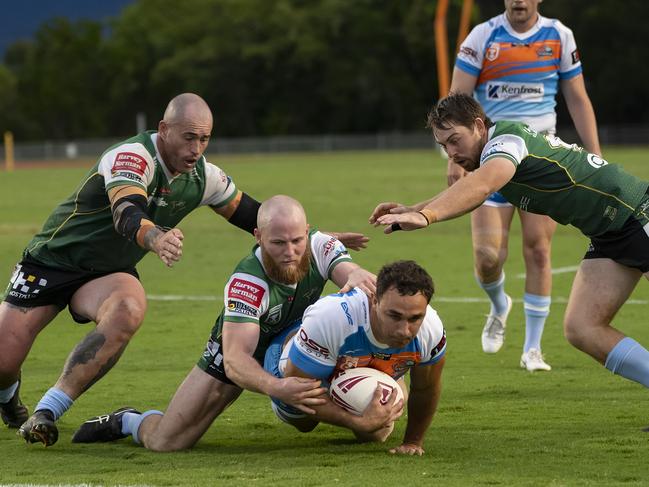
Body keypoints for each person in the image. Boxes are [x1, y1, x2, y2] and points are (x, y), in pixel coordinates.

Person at [0, 93, 368, 447]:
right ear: (164, 129)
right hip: (50, 262)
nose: (196, 148)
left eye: (204, 138)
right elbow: (126, 213)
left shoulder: (204, 177)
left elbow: (253, 215)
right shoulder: (132, 157)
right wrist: (156, 238)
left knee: (128, 309)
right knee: (4, 362)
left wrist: (307, 236)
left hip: (106, 273)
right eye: (188, 137)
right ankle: (8, 393)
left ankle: (48, 410)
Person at [370, 93, 649, 395]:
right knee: (583, 328)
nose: (451, 152)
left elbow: (481, 185)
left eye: (454, 140)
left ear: (478, 125)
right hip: (609, 233)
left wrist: (426, 216)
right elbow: (472, 185)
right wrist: (412, 209)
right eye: (443, 146)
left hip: (636, 213)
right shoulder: (494, 152)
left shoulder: (506, 143)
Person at [71, 195, 376, 451]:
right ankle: (128, 420)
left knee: (308, 420)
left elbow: (349, 272)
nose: (290, 252)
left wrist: (356, 273)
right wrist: (277, 387)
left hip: (291, 339)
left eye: (297, 240)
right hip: (237, 352)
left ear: (307, 232)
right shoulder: (247, 283)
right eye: (278, 243)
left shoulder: (320, 246)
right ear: (258, 236)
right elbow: (235, 360)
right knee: (167, 442)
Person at [448, 0, 601, 370]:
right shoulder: (482, 36)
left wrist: (595, 157)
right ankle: (500, 304)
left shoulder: (559, 36)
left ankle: (532, 350)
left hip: (540, 163)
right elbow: (456, 101)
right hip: (491, 158)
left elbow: (577, 99)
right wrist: (455, 159)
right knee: (488, 259)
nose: (518, 1)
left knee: (539, 251)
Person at [263, 260, 446, 456]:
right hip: (295, 365)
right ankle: (382, 370)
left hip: (352, 360)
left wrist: (412, 442)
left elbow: (426, 388)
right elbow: (299, 388)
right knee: (301, 419)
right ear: (374, 300)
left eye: (414, 318)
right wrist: (356, 421)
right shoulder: (332, 318)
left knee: (375, 434)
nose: (404, 330)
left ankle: (381, 369)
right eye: (394, 316)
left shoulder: (431, 330)